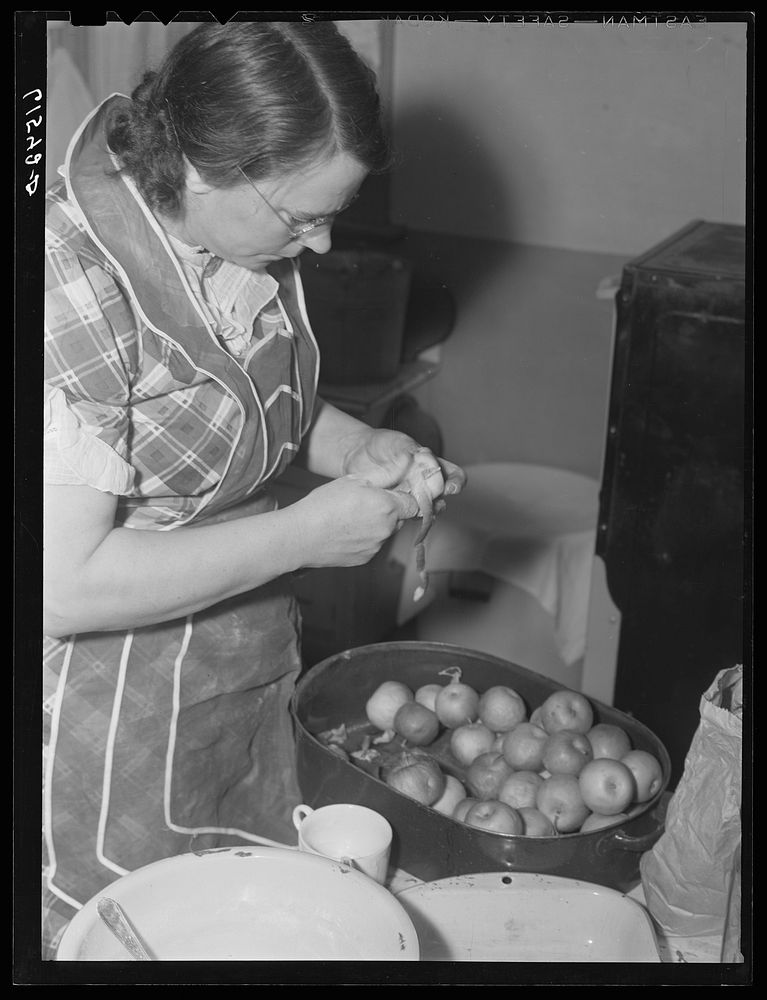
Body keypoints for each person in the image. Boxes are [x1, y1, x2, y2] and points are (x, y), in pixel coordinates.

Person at [42, 20, 466, 959]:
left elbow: (242, 401)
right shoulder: (63, 286)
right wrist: (304, 537)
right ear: (200, 168)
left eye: (331, 214)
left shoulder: (241, 237)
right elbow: (59, 585)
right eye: (300, 217)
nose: (317, 248)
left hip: (235, 666)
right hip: (96, 707)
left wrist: (356, 444)